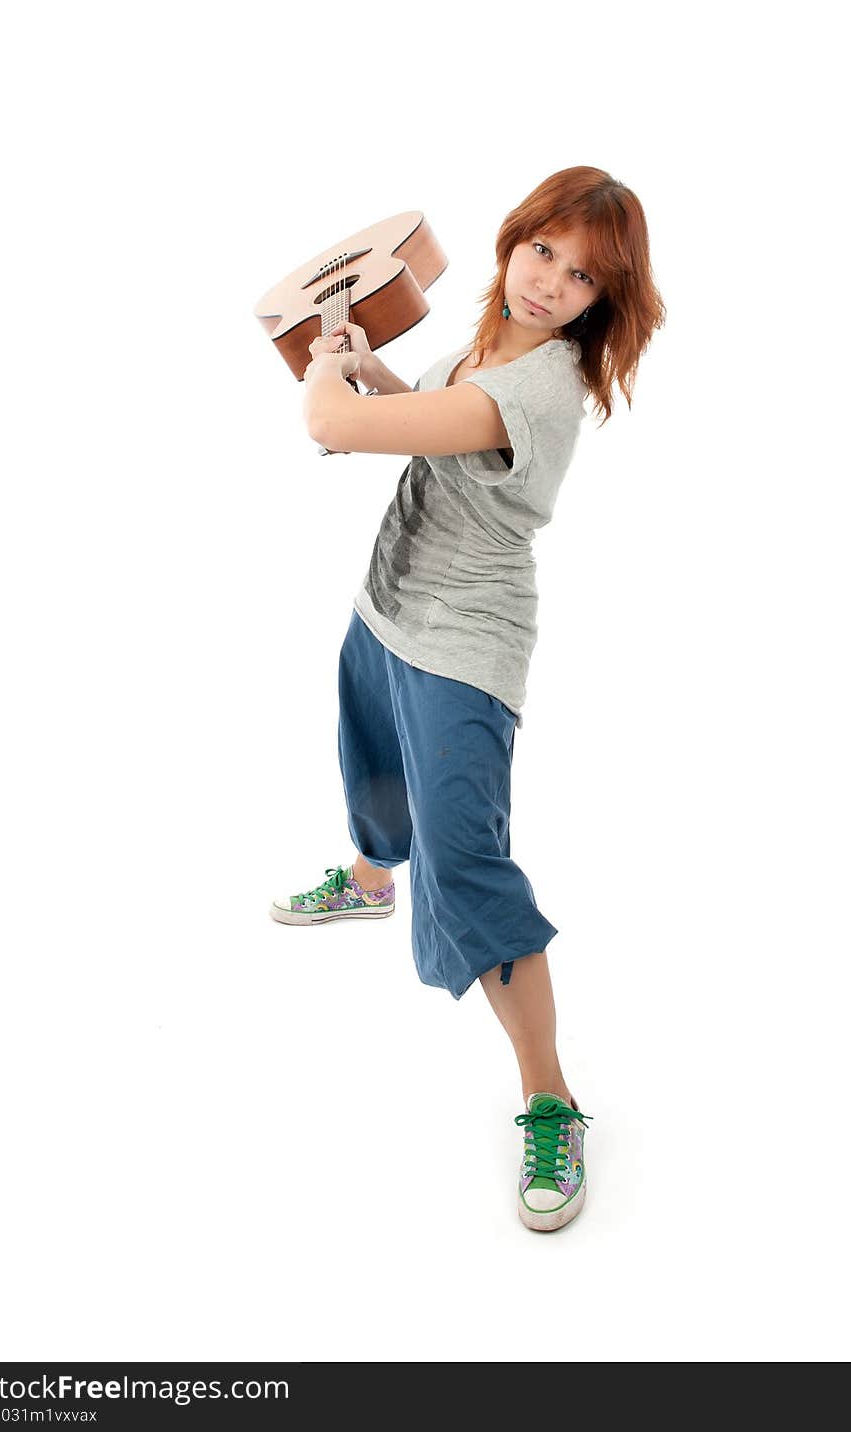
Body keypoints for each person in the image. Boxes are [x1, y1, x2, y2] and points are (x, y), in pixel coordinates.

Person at [270, 166, 665, 1233]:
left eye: (582, 275)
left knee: (470, 862)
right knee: (371, 753)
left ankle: (551, 1098)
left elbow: (343, 433)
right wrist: (368, 366)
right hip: (393, 599)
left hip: (464, 642)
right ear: (514, 240)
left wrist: (323, 380)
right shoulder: (496, 337)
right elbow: (426, 417)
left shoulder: (541, 386)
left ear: (601, 302)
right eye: (542, 250)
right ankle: (365, 877)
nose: (549, 282)